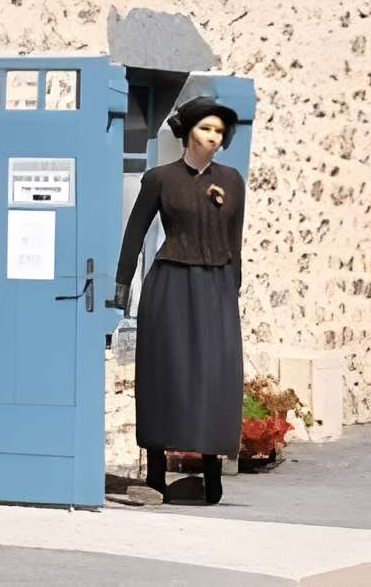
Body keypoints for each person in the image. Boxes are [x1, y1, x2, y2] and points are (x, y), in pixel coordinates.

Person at [113, 97, 247, 506]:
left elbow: (234, 241)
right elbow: (134, 233)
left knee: (214, 376)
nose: (213, 137)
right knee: (164, 372)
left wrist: (232, 288)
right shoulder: (159, 179)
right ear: (189, 131)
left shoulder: (232, 179)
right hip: (170, 283)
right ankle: (155, 476)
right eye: (207, 128)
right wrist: (122, 285)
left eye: (220, 132)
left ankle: (211, 476)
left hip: (216, 285)